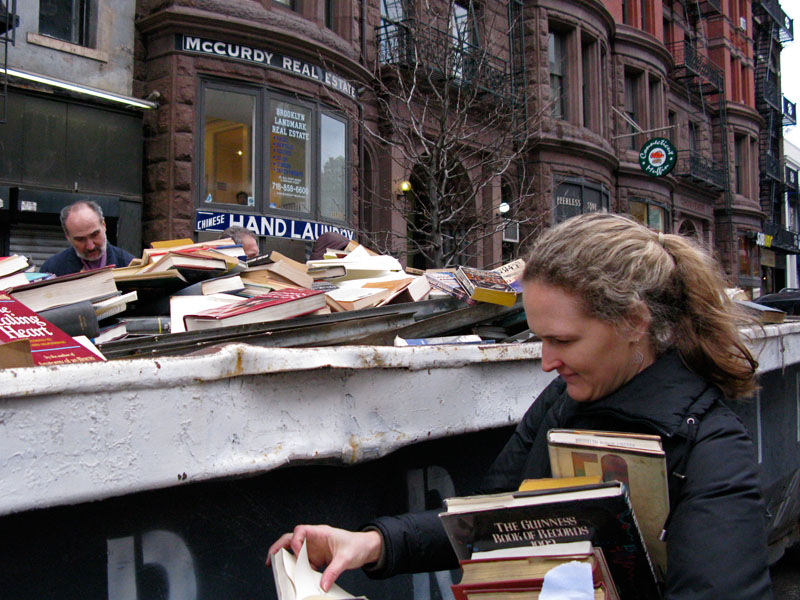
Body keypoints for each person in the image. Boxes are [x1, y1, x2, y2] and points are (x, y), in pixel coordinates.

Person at [268, 212, 773, 599]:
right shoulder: (563, 400)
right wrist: (372, 543)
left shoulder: (712, 449)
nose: (546, 362)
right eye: (538, 338)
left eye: (564, 341)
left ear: (634, 322)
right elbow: (493, 524)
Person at [41, 201, 136, 276]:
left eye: (94, 235)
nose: (90, 246)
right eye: (80, 239)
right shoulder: (52, 271)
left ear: (104, 225)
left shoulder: (130, 266)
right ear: (68, 237)